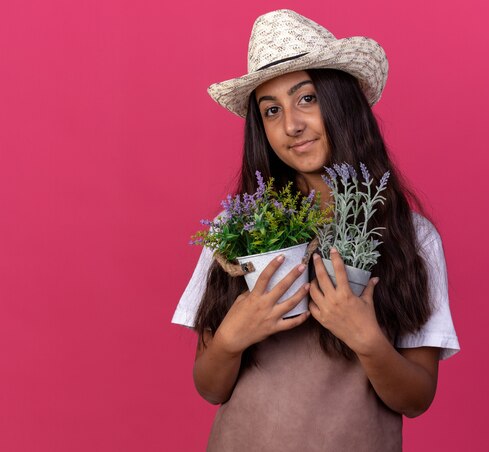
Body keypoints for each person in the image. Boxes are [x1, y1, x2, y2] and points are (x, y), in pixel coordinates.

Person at [172, 9, 460, 452]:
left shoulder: (411, 238)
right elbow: (210, 387)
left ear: (342, 101)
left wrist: (367, 339)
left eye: (306, 98)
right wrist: (231, 338)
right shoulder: (240, 232)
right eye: (271, 110)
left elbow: (417, 398)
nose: (291, 125)